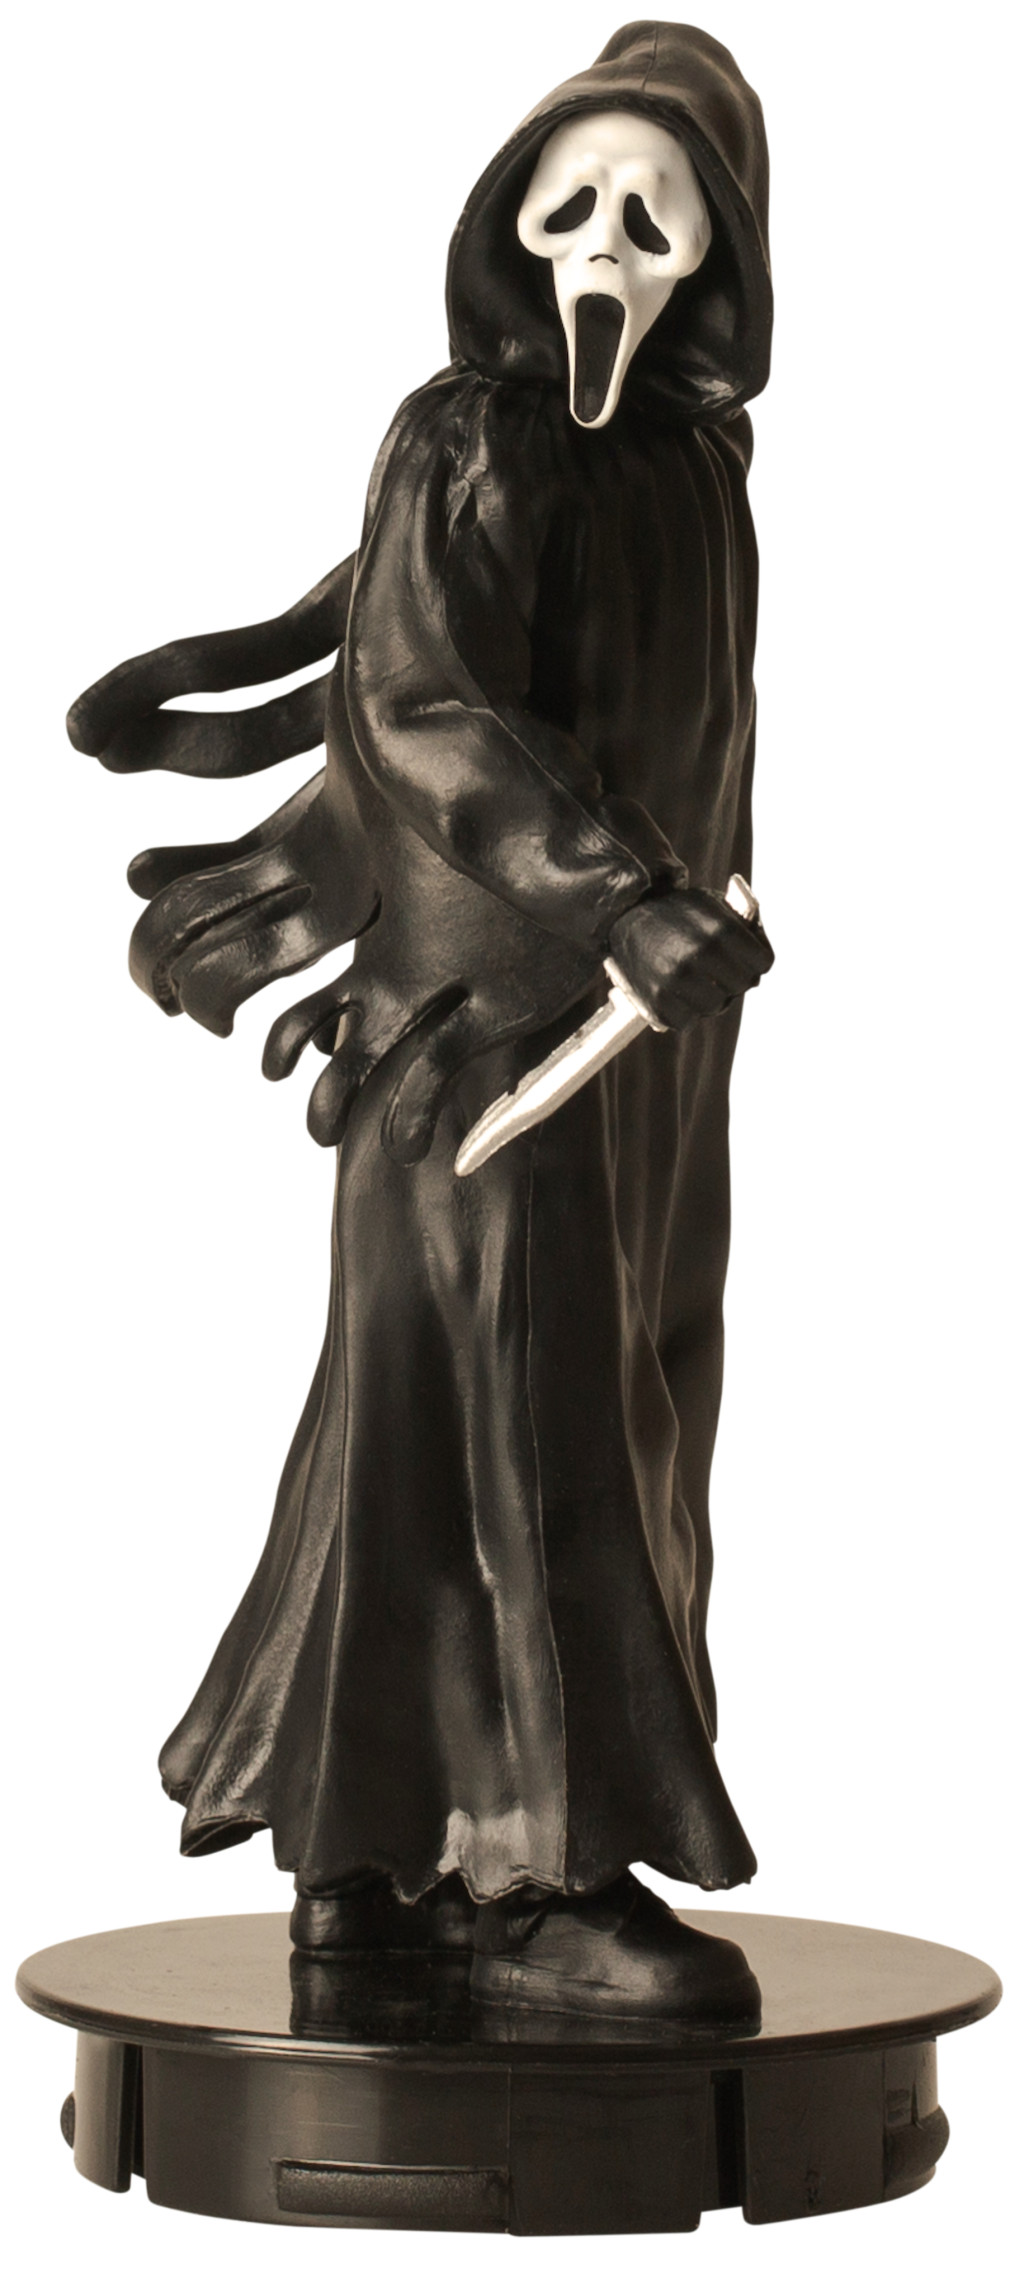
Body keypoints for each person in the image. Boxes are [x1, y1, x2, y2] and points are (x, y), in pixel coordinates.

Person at [69, 21, 774, 2024]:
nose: (604, 246)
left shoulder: (695, 474)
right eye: (572, 204)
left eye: (654, 215)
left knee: (548, 1406)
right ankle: (538, 1879)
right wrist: (617, 896)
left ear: (719, 256)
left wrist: (688, 924)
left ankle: (363, 1861)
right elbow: (423, 703)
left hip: (639, 1050)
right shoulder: (465, 442)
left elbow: (688, 735)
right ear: (508, 222)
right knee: (505, 1416)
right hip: (481, 1032)